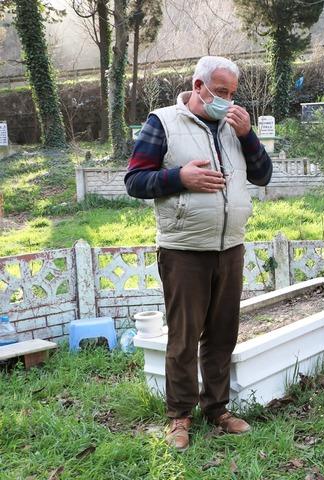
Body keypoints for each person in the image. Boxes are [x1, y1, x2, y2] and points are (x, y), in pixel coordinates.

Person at [125, 56, 273, 450]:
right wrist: (180, 177)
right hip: (184, 249)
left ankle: (217, 409)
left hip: (230, 247)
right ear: (197, 85)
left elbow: (262, 175)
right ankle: (179, 417)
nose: (226, 100)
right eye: (219, 92)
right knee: (184, 336)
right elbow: (135, 180)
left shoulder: (233, 127)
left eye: (231, 93)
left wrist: (248, 136)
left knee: (223, 333)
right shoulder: (163, 122)